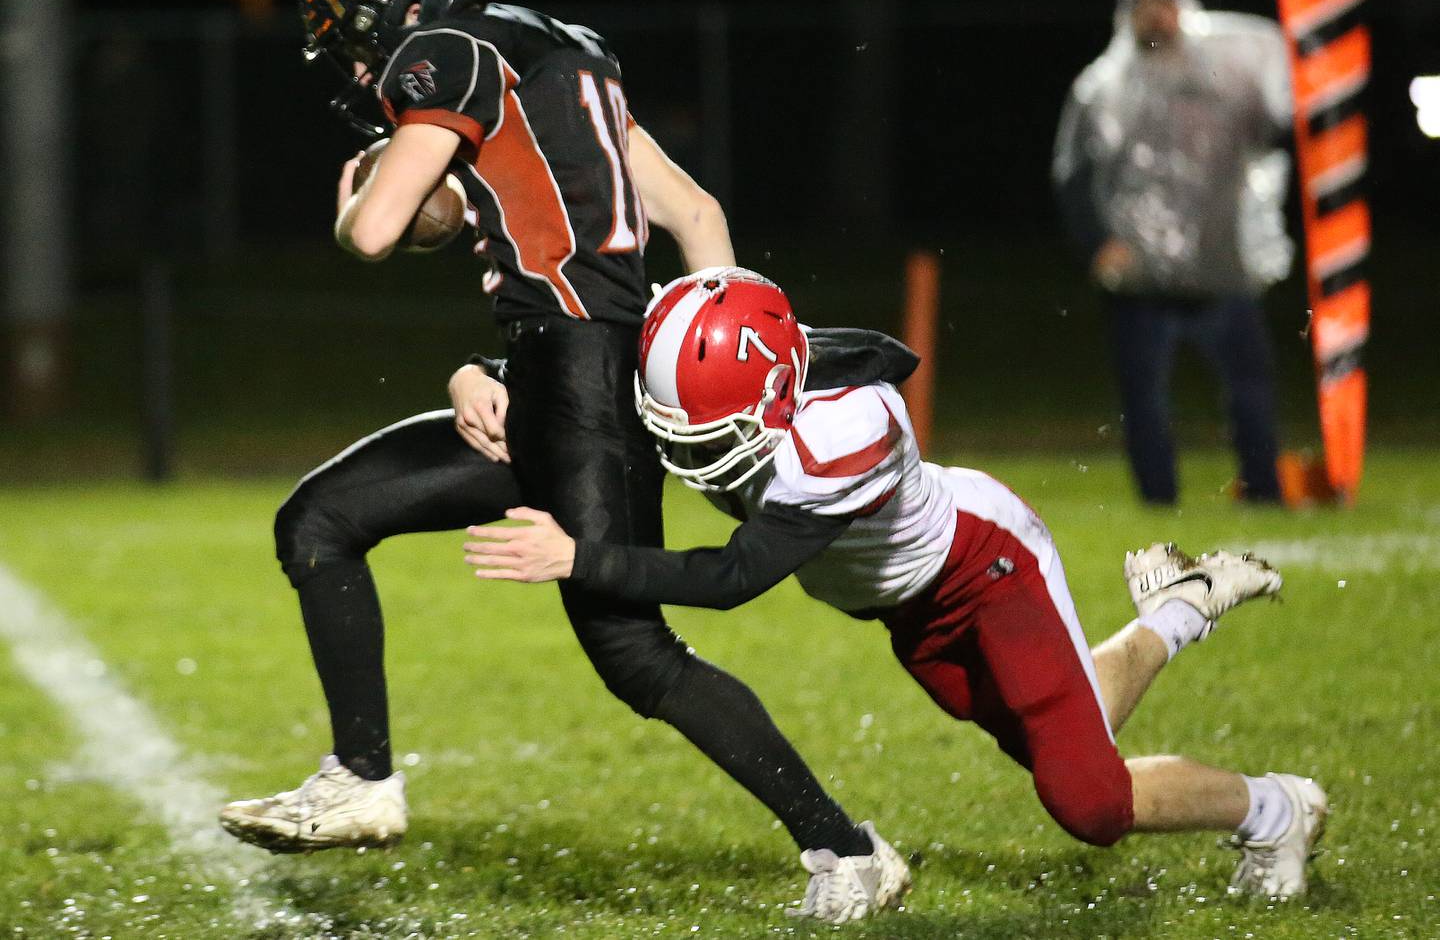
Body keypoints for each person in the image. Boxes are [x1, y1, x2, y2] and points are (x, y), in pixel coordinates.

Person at [219, 0, 907, 924]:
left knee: (634, 653)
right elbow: (694, 216)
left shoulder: (443, 55)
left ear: (392, 3)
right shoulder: (557, 51)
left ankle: (847, 848)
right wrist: (676, 365)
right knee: (320, 520)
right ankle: (360, 777)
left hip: (576, 382)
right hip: (561, 373)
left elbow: (375, 230)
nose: (357, 59)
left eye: (353, 28)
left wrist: (354, 197)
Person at [465, 268, 1329, 901]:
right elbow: (573, 348)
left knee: (1089, 799)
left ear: (772, 394)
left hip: (984, 574)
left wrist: (578, 557)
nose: (688, 454)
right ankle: (1179, 607)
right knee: (1068, 732)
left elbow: (734, 577)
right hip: (904, 609)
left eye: (708, 432)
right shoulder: (691, 351)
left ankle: (1275, 809)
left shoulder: (848, 430)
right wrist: (477, 376)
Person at [1052, 0, 1295, 505]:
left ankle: (1265, 492)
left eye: (1164, 2)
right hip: (1140, 282)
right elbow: (1072, 174)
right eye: (1144, 5)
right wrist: (1097, 245)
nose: (1156, 14)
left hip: (1221, 268)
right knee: (1144, 401)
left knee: (1252, 393)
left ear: (1183, 6)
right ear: (1126, 17)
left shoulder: (1228, 74)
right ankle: (1159, 504)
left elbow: (1273, 134)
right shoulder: (1103, 89)